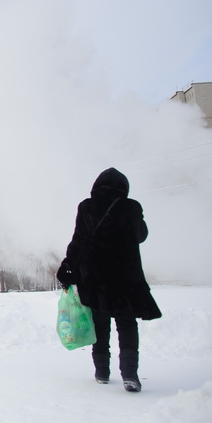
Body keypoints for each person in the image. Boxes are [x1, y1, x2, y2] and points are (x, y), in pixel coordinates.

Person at [57, 167, 161, 392]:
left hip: (94, 277)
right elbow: (141, 235)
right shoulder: (131, 207)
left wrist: (68, 267)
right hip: (125, 276)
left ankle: (102, 372)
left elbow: (79, 241)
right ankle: (130, 374)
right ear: (123, 188)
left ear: (96, 187)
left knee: (100, 324)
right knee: (126, 324)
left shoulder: (86, 206)